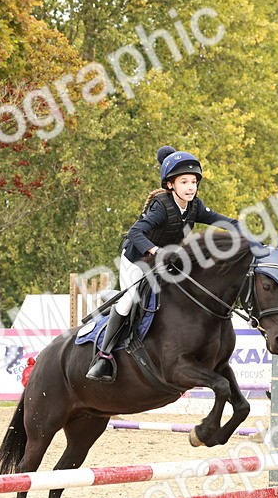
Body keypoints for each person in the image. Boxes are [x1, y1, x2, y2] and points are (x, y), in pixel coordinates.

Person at [86, 147, 242, 383]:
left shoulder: (195, 206)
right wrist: (157, 251)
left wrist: (245, 233)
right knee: (131, 298)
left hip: (164, 261)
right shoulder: (161, 207)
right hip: (137, 259)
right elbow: (135, 233)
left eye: (193, 182)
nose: (191, 187)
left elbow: (222, 220)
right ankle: (104, 356)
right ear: (170, 185)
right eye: (184, 182)